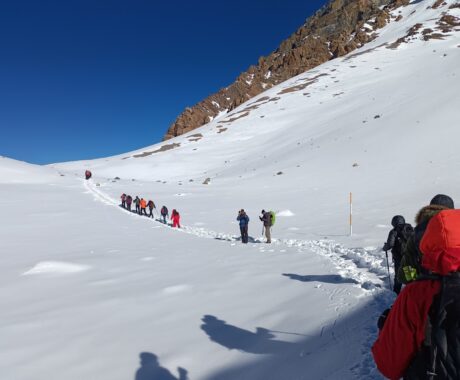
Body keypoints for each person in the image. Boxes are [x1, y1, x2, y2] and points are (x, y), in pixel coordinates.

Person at [372, 208, 460, 379]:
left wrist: (387, 327)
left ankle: (395, 291)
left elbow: (388, 364)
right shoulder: (409, 228)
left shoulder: (416, 294)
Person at [397, 194, 455, 284]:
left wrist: (414, 282)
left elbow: (407, 268)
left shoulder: (418, 232)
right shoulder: (457, 228)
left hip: (428, 289)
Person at [382, 215, 413, 294]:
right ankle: (413, 291)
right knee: (410, 274)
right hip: (411, 256)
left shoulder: (394, 231)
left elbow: (390, 244)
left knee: (398, 275)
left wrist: (385, 247)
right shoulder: (410, 229)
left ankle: (396, 293)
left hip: (399, 257)